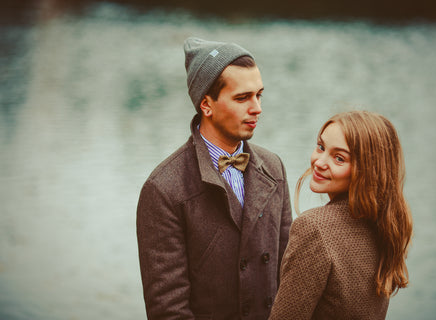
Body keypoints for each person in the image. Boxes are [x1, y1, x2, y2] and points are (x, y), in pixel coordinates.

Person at [136, 37, 293, 320]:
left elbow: (288, 273)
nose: (257, 107)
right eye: (242, 98)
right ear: (206, 105)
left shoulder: (274, 167)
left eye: (259, 94)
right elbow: (168, 309)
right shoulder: (162, 189)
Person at [269, 110, 413, 320]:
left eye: (339, 158)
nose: (319, 162)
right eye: (321, 147)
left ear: (366, 170)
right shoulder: (387, 224)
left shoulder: (314, 228)